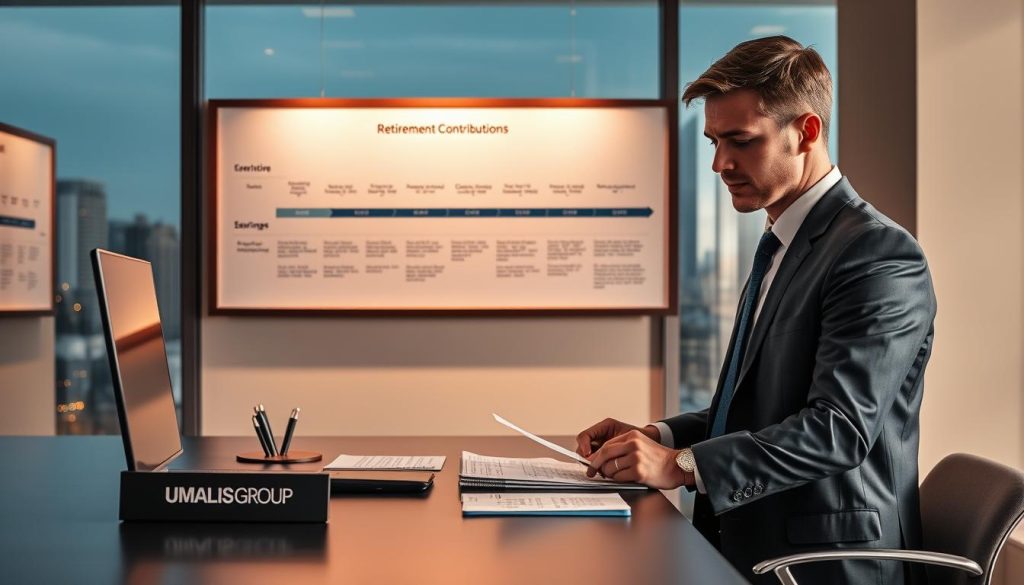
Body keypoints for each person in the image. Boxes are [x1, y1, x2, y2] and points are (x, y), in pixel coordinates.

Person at [575, 35, 935, 585]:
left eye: (740, 141)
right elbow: (756, 409)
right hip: (756, 539)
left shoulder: (878, 254)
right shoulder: (784, 245)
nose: (720, 163)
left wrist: (682, 466)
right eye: (714, 142)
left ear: (806, 131)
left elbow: (836, 429)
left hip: (826, 562)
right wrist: (660, 436)